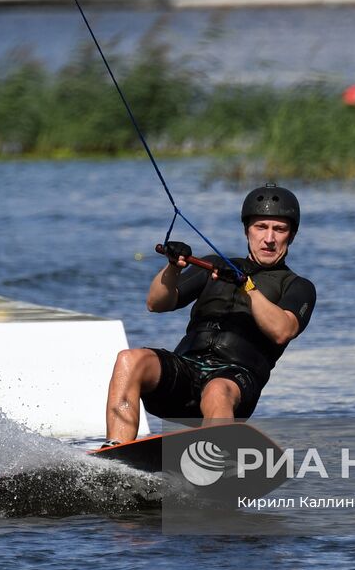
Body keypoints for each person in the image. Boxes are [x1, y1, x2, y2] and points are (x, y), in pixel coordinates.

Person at [104, 183, 317, 444]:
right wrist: (173, 268)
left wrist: (246, 285)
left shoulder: (297, 286)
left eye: (279, 229)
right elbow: (156, 303)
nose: (269, 238)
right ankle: (115, 453)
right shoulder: (215, 265)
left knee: (217, 390)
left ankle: (215, 459)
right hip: (187, 372)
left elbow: (282, 330)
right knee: (130, 359)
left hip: (235, 382)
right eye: (261, 227)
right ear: (247, 230)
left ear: (291, 235)